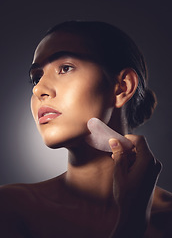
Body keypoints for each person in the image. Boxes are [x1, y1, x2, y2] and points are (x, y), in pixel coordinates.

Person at [0, 20, 172, 238]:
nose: (39, 90)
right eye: (36, 78)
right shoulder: (10, 208)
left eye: (65, 68)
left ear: (122, 87)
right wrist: (131, 222)